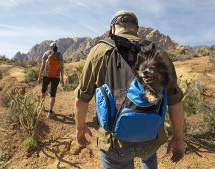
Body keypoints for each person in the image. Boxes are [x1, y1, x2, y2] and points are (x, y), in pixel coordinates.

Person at [74, 10, 185, 169]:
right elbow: (174, 101)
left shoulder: (99, 51)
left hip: (113, 141)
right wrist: (178, 138)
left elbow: (81, 98)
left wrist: (80, 127)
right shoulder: (158, 53)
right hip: (150, 137)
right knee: (148, 157)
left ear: (112, 28)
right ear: (136, 29)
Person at [38, 42, 64, 118]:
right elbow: (62, 68)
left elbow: (42, 66)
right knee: (53, 94)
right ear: (57, 48)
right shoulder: (59, 55)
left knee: (43, 91)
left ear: (50, 47)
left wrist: (39, 77)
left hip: (46, 75)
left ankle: (41, 106)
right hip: (56, 77)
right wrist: (62, 78)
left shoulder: (46, 54)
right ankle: (50, 112)